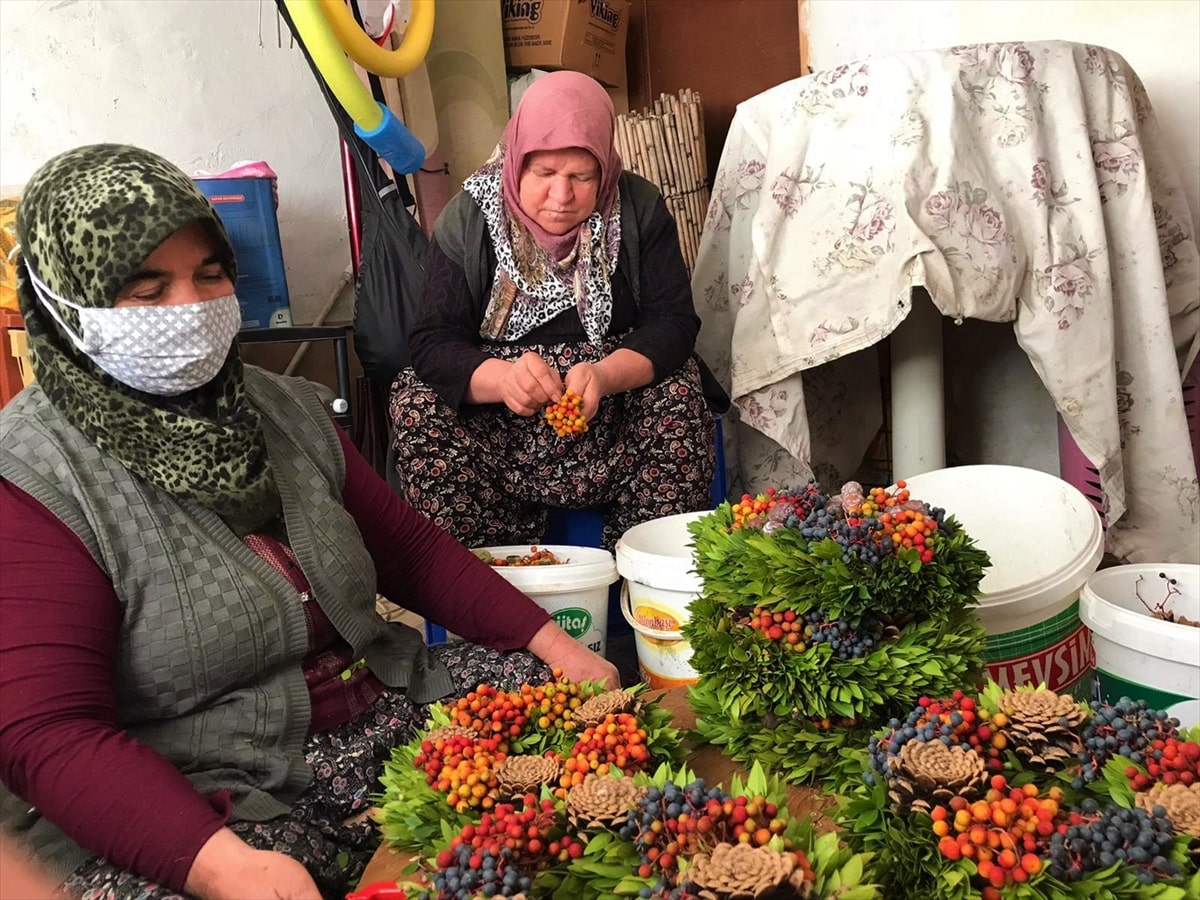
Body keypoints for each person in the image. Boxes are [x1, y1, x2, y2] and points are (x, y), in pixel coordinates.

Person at [0, 143, 620, 900]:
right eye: (146, 289)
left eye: (210, 275)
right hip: (208, 794)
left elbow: (410, 553)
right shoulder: (36, 475)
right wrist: (229, 868)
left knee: (567, 717)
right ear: (66, 306)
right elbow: (49, 735)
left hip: (374, 711)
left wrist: (554, 643)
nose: (191, 309)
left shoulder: (281, 407)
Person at [389, 71, 728, 551]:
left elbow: (672, 322)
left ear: (604, 169)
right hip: (500, 424)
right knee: (416, 400)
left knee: (678, 389)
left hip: (611, 414)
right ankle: (492, 590)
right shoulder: (469, 218)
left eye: (582, 177)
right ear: (517, 162)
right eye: (544, 174)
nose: (561, 196)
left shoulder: (637, 207)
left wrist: (606, 376)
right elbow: (433, 340)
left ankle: (642, 574)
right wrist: (503, 379)